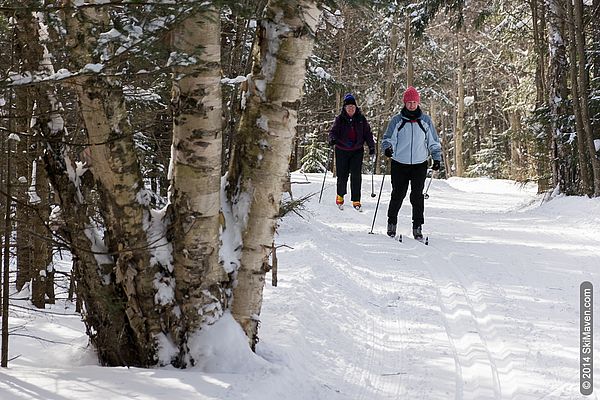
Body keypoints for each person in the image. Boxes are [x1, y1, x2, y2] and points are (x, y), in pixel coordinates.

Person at [381, 86, 442, 240]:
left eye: (414, 102)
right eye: (409, 102)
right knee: (398, 194)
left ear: (418, 103)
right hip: (399, 163)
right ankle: (391, 223)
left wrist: (436, 158)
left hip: (419, 164)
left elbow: (433, 141)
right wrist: (388, 148)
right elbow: (388, 138)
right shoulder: (397, 120)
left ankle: (417, 226)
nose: (412, 105)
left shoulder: (425, 121)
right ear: (405, 103)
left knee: (417, 196)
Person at [328, 93, 375, 211]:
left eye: (353, 107)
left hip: (357, 150)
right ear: (344, 108)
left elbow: (367, 134)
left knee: (356, 176)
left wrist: (371, 146)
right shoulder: (340, 119)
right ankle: (340, 195)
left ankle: (356, 199)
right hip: (342, 150)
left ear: (356, 107)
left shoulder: (361, 119)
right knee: (342, 175)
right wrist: (332, 139)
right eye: (348, 106)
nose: (351, 108)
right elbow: (333, 132)